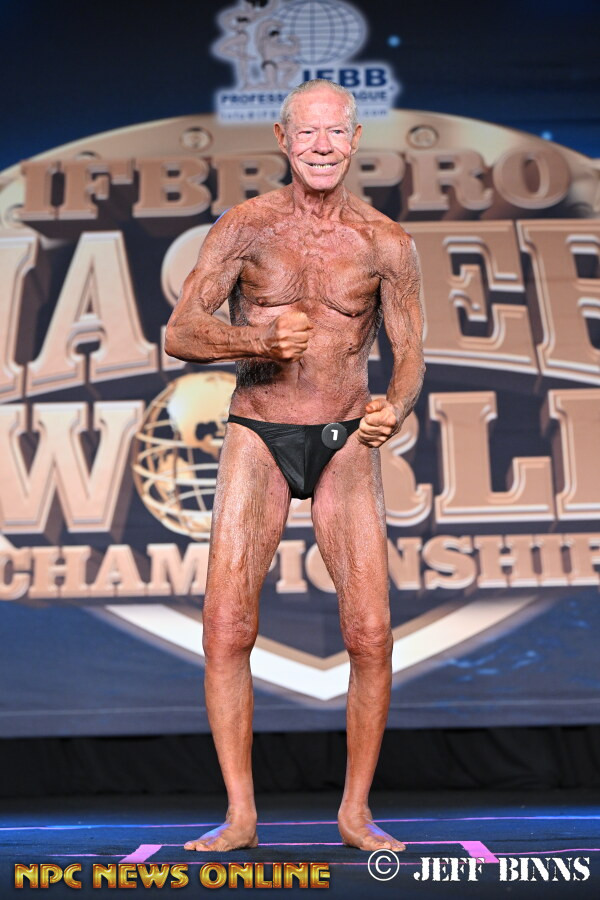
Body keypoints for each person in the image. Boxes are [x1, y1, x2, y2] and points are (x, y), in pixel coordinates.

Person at [164, 78, 425, 853]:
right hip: (259, 430)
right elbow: (180, 332)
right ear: (282, 139)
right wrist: (256, 342)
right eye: (306, 132)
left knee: (370, 632)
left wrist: (395, 406)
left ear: (354, 140)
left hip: (345, 440)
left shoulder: (385, 242)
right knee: (226, 626)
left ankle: (355, 812)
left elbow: (411, 353)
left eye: (335, 132)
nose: (321, 146)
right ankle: (241, 814)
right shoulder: (247, 227)